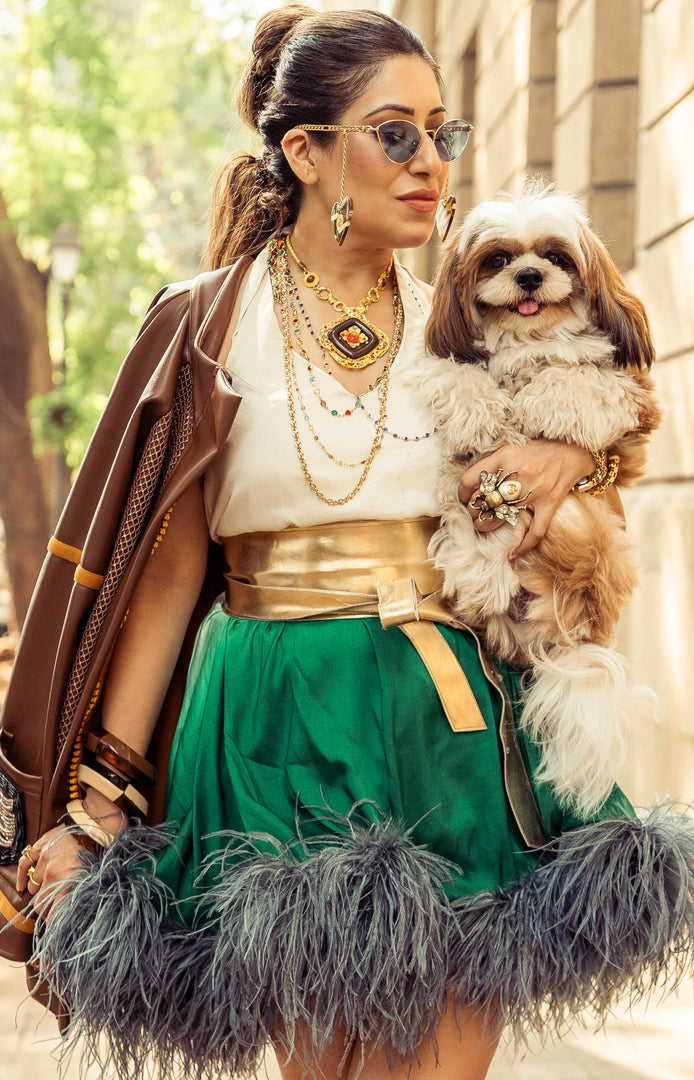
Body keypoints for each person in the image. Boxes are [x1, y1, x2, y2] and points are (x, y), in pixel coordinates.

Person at [3, 7, 693, 1080]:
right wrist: (98, 803)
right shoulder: (203, 323)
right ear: (305, 152)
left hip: (448, 719)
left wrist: (572, 463)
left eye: (440, 132)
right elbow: (168, 573)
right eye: (395, 134)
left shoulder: (463, 318)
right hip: (274, 721)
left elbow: (604, 418)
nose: (430, 164)